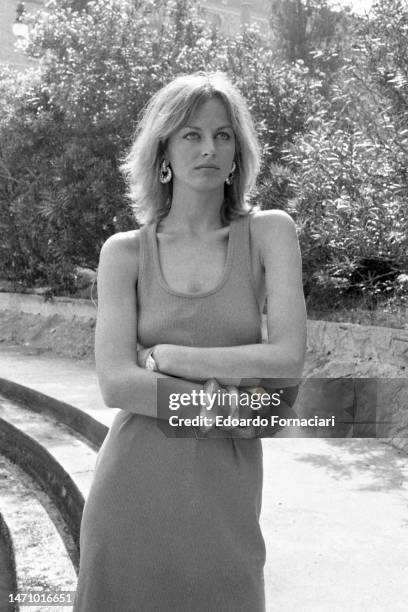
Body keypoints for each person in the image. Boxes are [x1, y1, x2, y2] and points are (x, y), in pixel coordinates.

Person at [73, 71, 306, 612]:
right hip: (132, 490)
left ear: (237, 152)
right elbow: (116, 384)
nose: (209, 149)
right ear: (164, 152)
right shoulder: (124, 252)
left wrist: (172, 359)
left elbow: (288, 359)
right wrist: (237, 407)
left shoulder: (270, 232)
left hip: (227, 495)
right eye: (191, 135)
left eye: (223, 135)